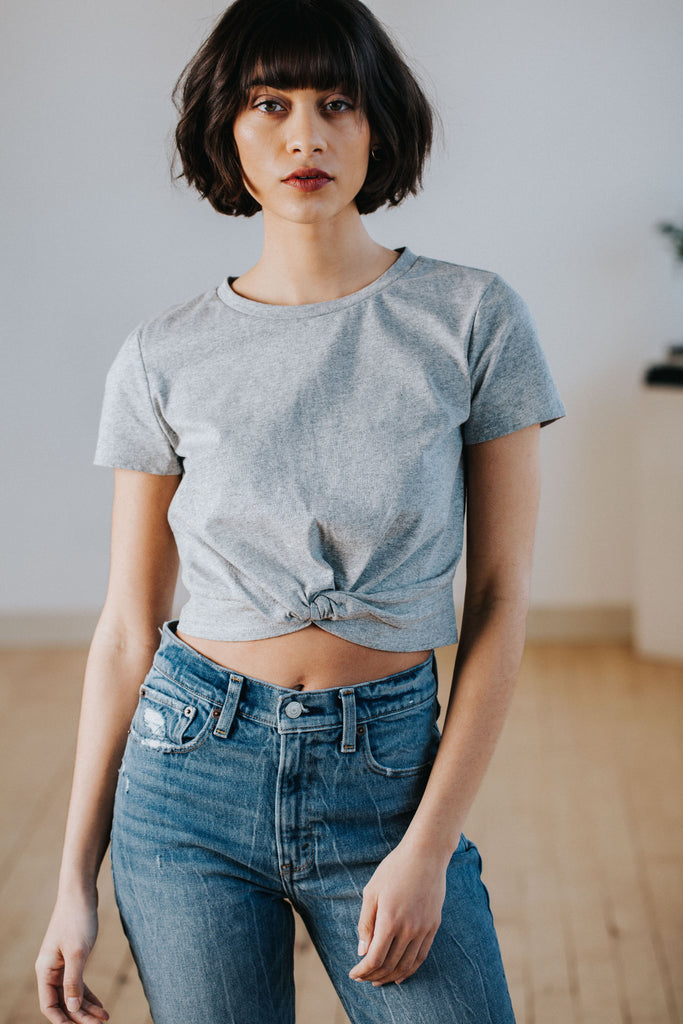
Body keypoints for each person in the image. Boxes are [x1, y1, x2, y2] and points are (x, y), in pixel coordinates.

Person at [36, 0, 566, 1021]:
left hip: (388, 774)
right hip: (187, 777)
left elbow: (500, 601)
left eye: (337, 102)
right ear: (227, 132)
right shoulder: (161, 353)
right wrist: (72, 881)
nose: (304, 136)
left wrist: (425, 847)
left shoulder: (472, 317)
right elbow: (121, 631)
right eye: (268, 102)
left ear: (381, 126)